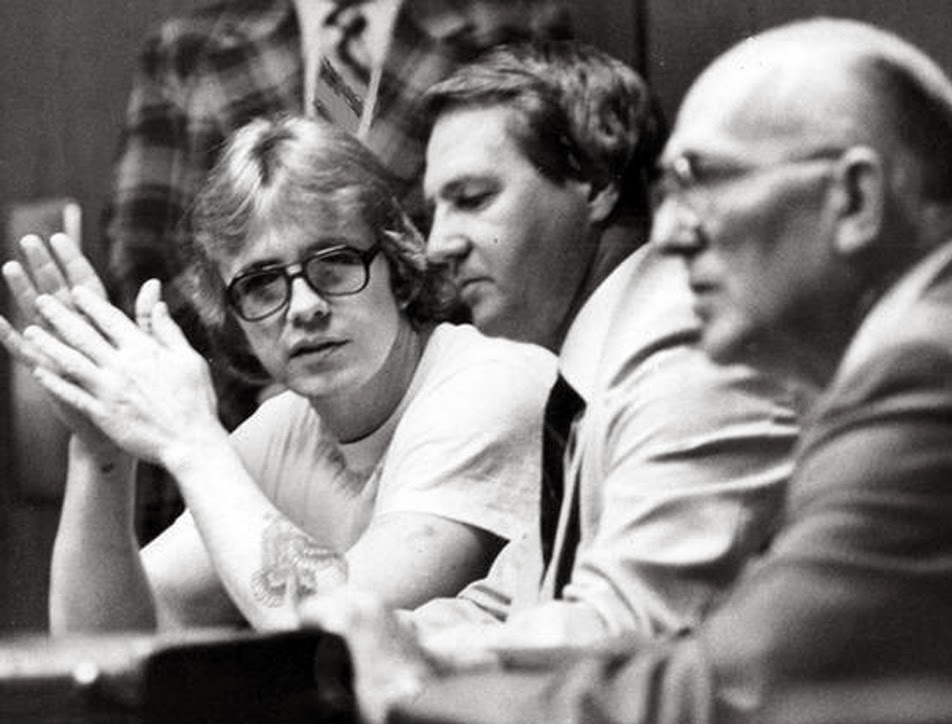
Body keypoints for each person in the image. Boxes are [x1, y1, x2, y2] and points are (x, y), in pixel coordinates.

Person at [301, 17, 952, 724]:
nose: (669, 231)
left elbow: (716, 696)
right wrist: (405, 647)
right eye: (667, 191)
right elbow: (544, 596)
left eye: (706, 181)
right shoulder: (931, 349)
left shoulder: (931, 375)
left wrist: (410, 690)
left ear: (856, 197)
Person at [0, 115, 554, 633]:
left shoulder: (490, 386)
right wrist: (99, 451)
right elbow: (105, 640)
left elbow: (338, 632)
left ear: (398, 264)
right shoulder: (283, 430)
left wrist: (191, 439)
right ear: (234, 318)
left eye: (334, 264)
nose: (305, 307)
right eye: (262, 284)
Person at [362, 41, 799, 661]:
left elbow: (628, 633)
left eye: (473, 199)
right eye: (437, 210)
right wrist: (366, 638)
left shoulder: (693, 347)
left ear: (596, 183)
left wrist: (410, 654)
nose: (437, 246)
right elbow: (524, 596)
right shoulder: (600, 362)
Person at [105, 0, 570, 537]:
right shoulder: (186, 49)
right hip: (243, 420)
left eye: (334, 263)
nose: (305, 305)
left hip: (444, 413)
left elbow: (535, 245)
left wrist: (393, 378)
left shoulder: (508, 25)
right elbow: (145, 260)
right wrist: (275, 381)